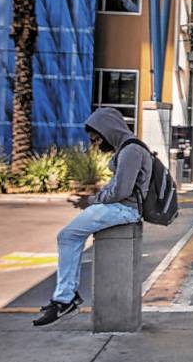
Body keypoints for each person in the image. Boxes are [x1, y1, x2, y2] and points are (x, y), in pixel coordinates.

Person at [33, 107, 152, 327]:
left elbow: (121, 191)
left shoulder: (131, 150)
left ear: (108, 129)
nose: (97, 143)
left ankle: (64, 299)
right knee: (69, 236)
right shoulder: (127, 149)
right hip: (123, 207)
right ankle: (64, 298)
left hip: (124, 209)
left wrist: (92, 200)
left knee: (68, 236)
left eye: (97, 138)